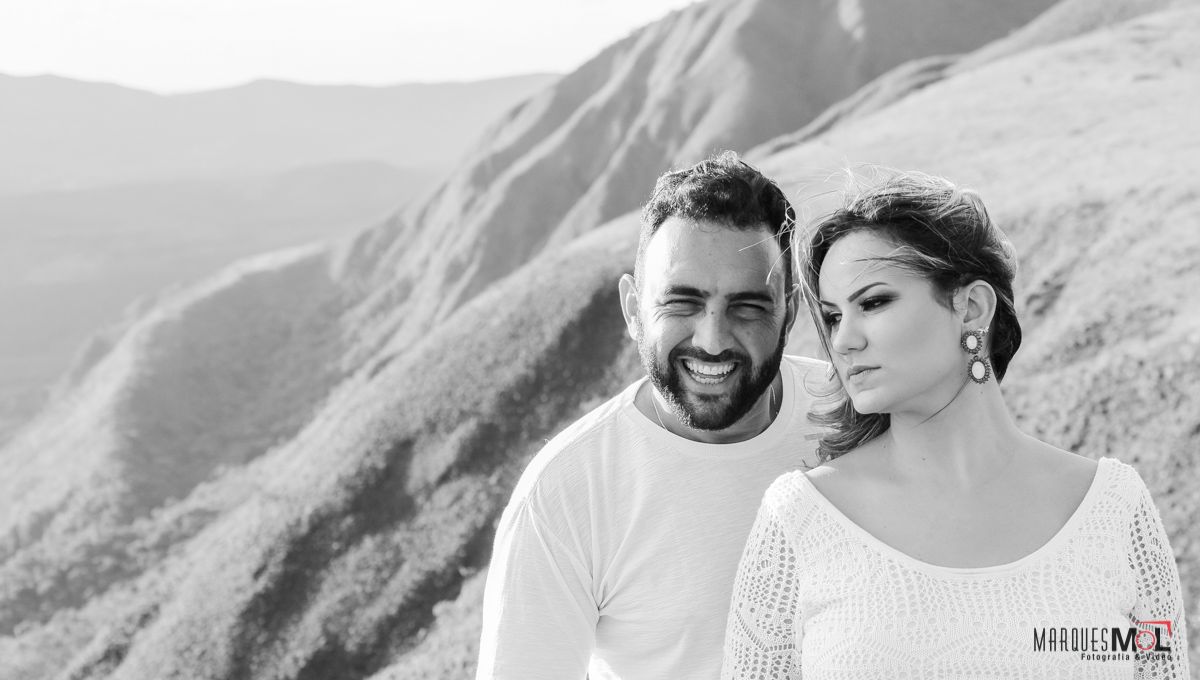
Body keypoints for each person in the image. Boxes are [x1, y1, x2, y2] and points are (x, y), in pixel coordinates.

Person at [721, 168, 1189, 678]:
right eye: (833, 317)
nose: (843, 341)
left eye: (873, 303)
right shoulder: (802, 519)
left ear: (971, 308)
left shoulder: (1114, 510)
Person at [476, 151, 827, 679]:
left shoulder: (856, 417)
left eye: (748, 307)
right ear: (633, 310)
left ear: (790, 311)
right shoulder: (566, 491)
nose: (712, 340)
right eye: (681, 303)